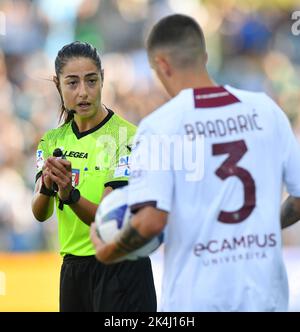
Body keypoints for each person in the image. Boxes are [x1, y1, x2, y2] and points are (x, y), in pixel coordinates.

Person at [90, 15, 300, 311]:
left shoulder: (160, 127)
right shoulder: (267, 111)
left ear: (162, 65)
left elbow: (151, 221)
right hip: (266, 296)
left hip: (198, 300)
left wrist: (109, 250)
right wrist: (263, 225)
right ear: (204, 56)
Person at [31, 41, 157, 312]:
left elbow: (107, 222)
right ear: (58, 85)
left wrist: (70, 194)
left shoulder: (128, 137)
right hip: (74, 271)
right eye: (72, 83)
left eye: (91, 81)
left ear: (103, 78)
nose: (83, 92)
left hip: (120, 269)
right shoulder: (51, 140)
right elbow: (40, 213)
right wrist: (48, 186)